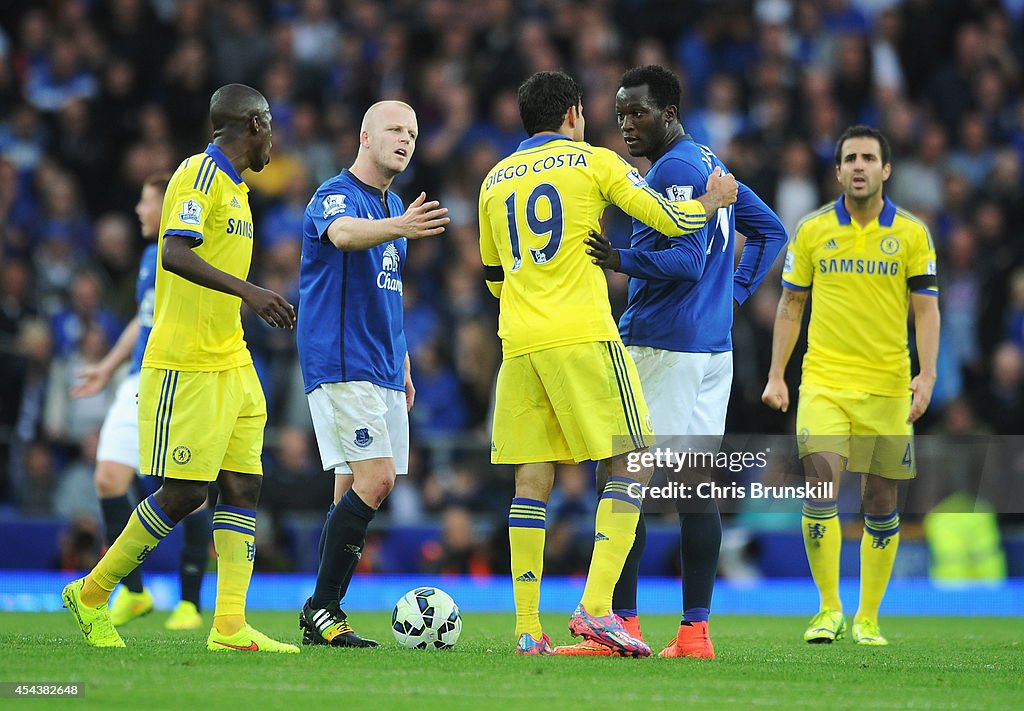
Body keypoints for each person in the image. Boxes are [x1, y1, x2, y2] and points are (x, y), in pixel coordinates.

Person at [479, 70, 738, 656]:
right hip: (584, 335)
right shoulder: (594, 162)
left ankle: (526, 629)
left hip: (518, 342)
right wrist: (713, 200)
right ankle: (597, 609)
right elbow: (670, 222)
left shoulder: (492, 181)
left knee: (530, 481)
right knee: (634, 460)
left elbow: (494, 277)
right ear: (573, 112)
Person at [558, 64, 788, 658]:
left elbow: (686, 260)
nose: (626, 124)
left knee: (622, 477)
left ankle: (620, 625)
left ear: (670, 112)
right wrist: (730, 298)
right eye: (621, 113)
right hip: (710, 349)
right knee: (692, 488)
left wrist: (622, 260)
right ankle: (694, 632)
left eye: (638, 112)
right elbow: (769, 232)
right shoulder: (708, 162)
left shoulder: (675, 170)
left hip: (663, 343)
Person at [62, 84, 299, 653]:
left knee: (244, 484)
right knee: (186, 492)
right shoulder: (198, 175)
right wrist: (251, 292)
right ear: (256, 124)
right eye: (273, 129)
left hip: (231, 360)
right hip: (185, 362)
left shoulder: (239, 192)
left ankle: (230, 625)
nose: (276, 143)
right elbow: (173, 251)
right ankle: (92, 593)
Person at [762, 125, 940, 646]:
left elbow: (926, 312)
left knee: (881, 500)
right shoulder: (813, 229)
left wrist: (926, 375)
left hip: (888, 388)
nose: (858, 166)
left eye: (868, 158)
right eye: (849, 158)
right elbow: (791, 306)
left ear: (886, 170)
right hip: (824, 382)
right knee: (821, 487)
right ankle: (828, 609)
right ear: (837, 170)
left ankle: (868, 616)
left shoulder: (911, 234)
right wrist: (777, 374)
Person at [296, 100, 449, 647]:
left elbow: (390, 294)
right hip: (341, 361)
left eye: (413, 132)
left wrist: (403, 361)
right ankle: (321, 607)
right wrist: (400, 224)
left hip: (381, 366)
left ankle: (323, 617)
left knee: (349, 491)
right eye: (394, 129)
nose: (406, 139)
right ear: (365, 136)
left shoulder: (391, 211)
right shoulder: (335, 194)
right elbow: (341, 235)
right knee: (376, 480)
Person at [70, 173, 211, 632]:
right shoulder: (152, 257)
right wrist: (108, 367)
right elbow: (144, 318)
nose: (138, 210)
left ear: (168, 207)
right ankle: (133, 593)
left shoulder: (188, 257)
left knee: (187, 491)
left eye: (145, 202)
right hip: (135, 380)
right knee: (109, 478)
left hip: (172, 379)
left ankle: (190, 602)